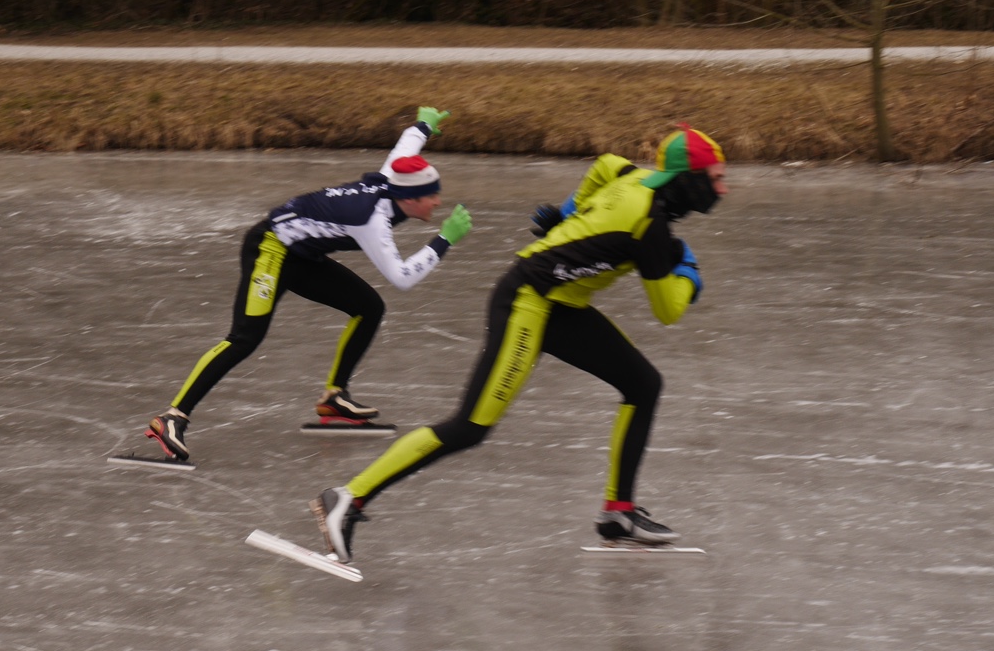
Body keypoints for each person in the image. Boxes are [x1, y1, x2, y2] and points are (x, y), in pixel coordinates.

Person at [310, 124, 729, 563]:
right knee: (469, 427)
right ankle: (348, 497)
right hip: (527, 304)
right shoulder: (650, 228)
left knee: (643, 384)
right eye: (716, 178)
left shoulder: (637, 177)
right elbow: (669, 310)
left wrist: (570, 215)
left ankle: (619, 513)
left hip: (563, 306)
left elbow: (605, 166)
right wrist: (688, 270)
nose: (723, 188)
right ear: (690, 181)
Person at [144, 106, 473, 463]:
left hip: (301, 256)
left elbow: (406, 147)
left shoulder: (392, 180)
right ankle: (172, 417)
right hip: (270, 250)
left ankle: (334, 399)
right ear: (409, 200)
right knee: (244, 338)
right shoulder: (371, 221)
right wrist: (445, 240)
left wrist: (424, 124)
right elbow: (402, 277)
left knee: (368, 308)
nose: (438, 202)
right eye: (432, 196)